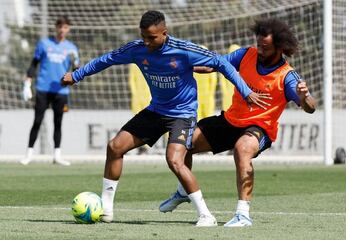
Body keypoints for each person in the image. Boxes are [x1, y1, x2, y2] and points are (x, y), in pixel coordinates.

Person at [61, 10, 269, 226]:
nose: (147, 42)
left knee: (174, 160)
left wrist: (245, 91)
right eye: (143, 36)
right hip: (157, 110)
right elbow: (107, 59)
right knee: (115, 147)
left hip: (183, 114)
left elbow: (221, 63)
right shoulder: (137, 49)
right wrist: (77, 75)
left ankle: (206, 215)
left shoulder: (184, 50)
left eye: (151, 37)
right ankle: (106, 209)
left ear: (164, 33)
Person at [159, 18, 316, 227]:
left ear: (280, 47)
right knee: (183, 143)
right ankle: (183, 190)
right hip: (231, 120)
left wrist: (304, 97)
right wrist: (183, 64)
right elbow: (214, 65)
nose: (259, 50)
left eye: (265, 47)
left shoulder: (286, 76)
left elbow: (311, 107)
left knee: (242, 149)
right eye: (259, 44)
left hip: (260, 128)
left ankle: (243, 214)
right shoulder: (246, 55)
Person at [20, 16, 80, 166]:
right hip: (43, 89)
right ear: (56, 28)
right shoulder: (44, 44)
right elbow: (34, 64)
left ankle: (57, 155)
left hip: (61, 91)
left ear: (68, 29)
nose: (62, 30)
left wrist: (76, 64)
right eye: (60, 27)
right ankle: (28, 154)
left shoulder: (72, 48)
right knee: (37, 121)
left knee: (58, 123)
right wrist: (27, 84)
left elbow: (76, 72)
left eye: (65, 27)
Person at [193, 45, 218, 120]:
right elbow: (213, 80)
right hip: (207, 95)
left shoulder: (193, 65)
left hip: (196, 96)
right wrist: (211, 92)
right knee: (208, 118)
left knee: (197, 117)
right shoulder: (210, 64)